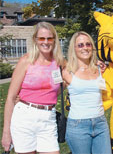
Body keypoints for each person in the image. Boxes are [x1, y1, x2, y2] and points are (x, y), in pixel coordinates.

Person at [1, 22, 64, 154]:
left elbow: (78, 70)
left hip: (48, 118)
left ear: (54, 40)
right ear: (35, 40)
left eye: (49, 38)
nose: (45, 42)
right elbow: (11, 98)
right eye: (41, 38)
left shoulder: (59, 62)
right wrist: (6, 132)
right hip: (24, 117)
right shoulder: (26, 61)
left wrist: (98, 66)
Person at [62, 31, 112, 154]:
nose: (85, 48)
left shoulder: (100, 68)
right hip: (78, 126)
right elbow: (51, 92)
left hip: (100, 123)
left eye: (88, 44)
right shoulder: (67, 71)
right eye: (80, 45)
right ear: (74, 48)